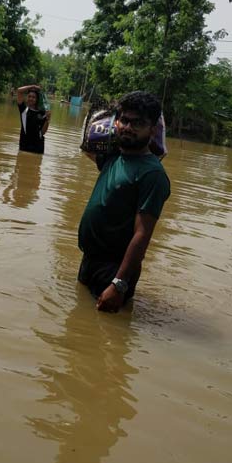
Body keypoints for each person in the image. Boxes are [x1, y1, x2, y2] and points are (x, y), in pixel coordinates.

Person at [78, 91, 171, 313]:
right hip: (90, 261)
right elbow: (87, 148)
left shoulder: (152, 174)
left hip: (114, 270)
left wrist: (119, 284)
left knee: (106, 331)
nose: (128, 127)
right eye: (124, 120)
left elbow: (142, 234)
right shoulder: (114, 157)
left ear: (152, 130)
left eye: (138, 123)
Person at [16, 84, 51, 154]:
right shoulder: (23, 109)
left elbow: (43, 132)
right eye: (29, 96)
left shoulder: (42, 113)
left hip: (38, 147)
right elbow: (19, 91)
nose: (31, 99)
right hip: (24, 145)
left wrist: (47, 120)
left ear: (37, 99)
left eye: (33, 97)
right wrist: (33, 86)